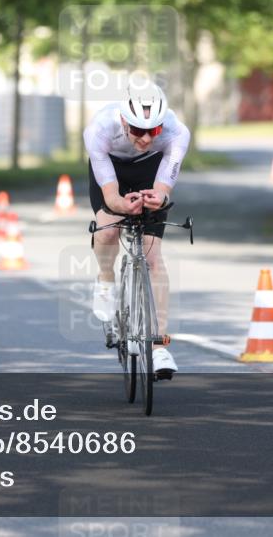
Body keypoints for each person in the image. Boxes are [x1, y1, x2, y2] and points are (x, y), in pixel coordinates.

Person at [84, 79, 190, 378]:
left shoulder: (177, 132)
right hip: (111, 169)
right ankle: (105, 278)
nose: (145, 138)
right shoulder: (99, 130)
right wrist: (120, 205)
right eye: (138, 130)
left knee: (153, 257)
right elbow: (111, 197)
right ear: (122, 120)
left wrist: (160, 198)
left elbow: (164, 186)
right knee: (106, 231)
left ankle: (159, 347)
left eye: (153, 131)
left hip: (150, 168)